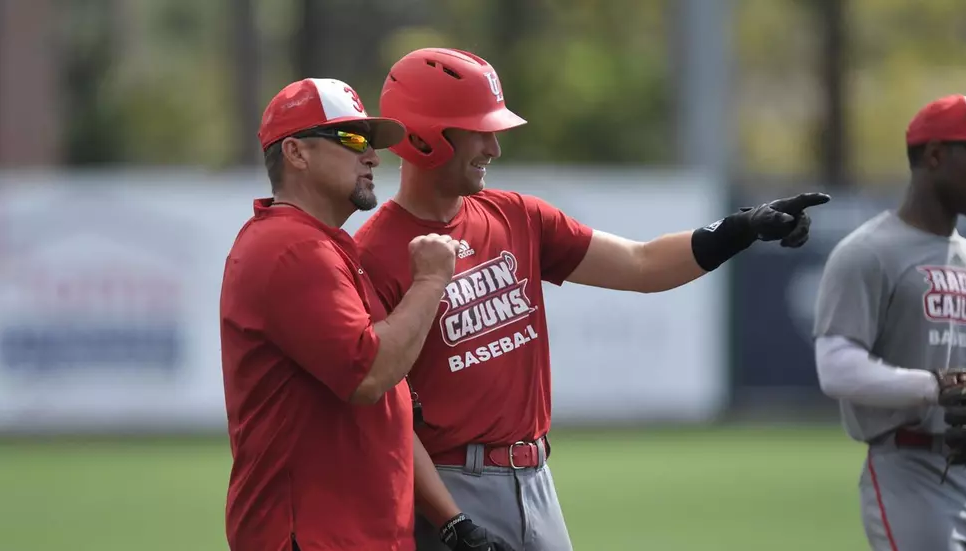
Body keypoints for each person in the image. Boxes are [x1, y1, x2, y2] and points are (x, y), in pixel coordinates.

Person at [353, 47, 831, 551]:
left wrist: (741, 228)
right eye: (480, 130)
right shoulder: (374, 255)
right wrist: (451, 522)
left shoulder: (517, 215)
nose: (494, 147)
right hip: (449, 489)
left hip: (535, 480)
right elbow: (388, 415)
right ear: (428, 135)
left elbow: (642, 265)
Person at [219, 77, 514, 551]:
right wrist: (430, 280)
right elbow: (370, 375)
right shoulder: (290, 249)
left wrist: (452, 522)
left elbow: (387, 396)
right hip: (313, 535)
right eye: (353, 140)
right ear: (296, 153)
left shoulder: (322, 245)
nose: (374, 156)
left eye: (372, 143)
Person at [813, 94, 966, 551]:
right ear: (935, 155)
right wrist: (937, 386)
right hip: (913, 469)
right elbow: (836, 365)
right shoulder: (867, 252)